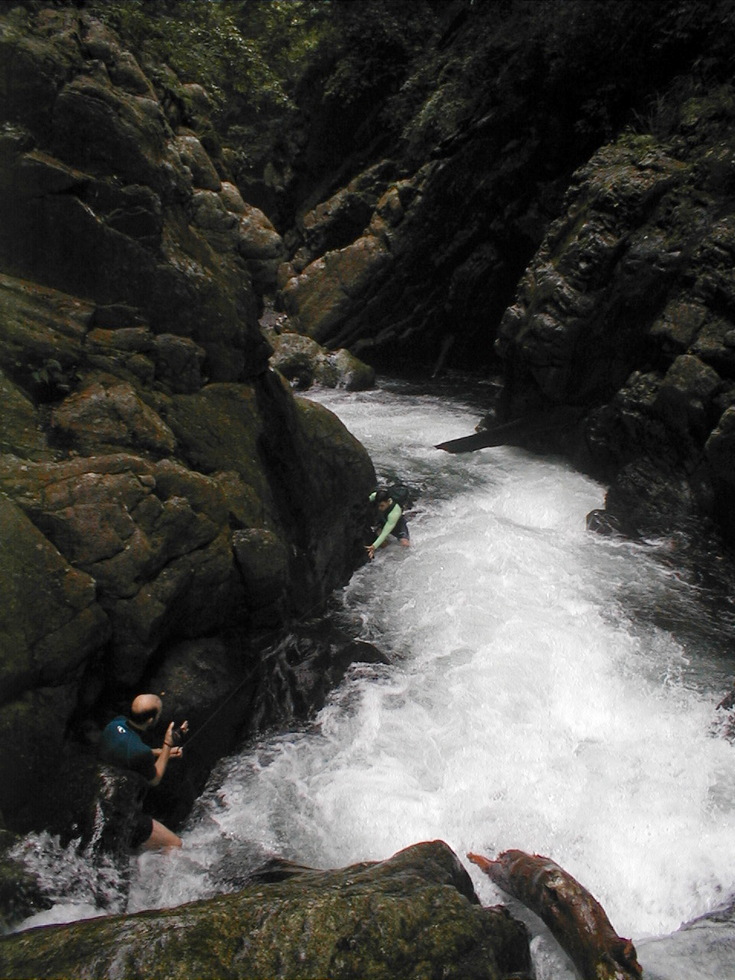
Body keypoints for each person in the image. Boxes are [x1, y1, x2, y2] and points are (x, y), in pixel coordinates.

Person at [99, 694, 188, 850]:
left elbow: (129, 749)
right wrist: (168, 744)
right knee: (174, 844)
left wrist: (163, 752)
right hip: (119, 810)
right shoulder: (140, 753)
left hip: (101, 791)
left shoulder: (114, 724)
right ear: (150, 721)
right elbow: (155, 778)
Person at [365, 488, 410, 559]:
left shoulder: (395, 512)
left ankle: (404, 558)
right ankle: (387, 555)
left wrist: (374, 546)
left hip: (397, 524)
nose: (379, 508)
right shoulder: (375, 496)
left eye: (382, 506)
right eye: (378, 505)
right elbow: (366, 500)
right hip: (383, 520)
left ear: (388, 501)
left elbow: (385, 533)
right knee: (379, 538)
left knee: (405, 544)